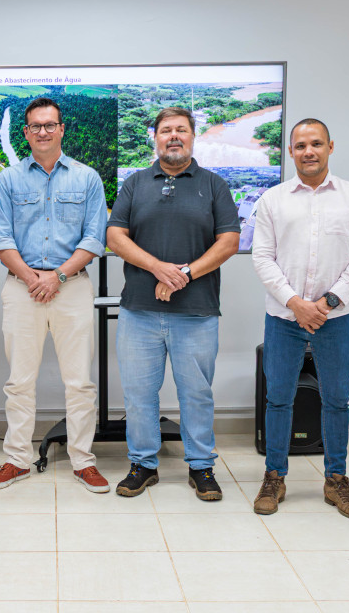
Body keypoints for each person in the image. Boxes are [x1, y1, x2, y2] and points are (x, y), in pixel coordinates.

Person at [106, 107, 239, 501]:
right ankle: (143, 465)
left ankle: (201, 467)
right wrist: (159, 269)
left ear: (193, 137)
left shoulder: (214, 185)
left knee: (196, 394)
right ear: (156, 138)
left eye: (181, 129)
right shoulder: (135, 183)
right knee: (138, 395)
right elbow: (115, 237)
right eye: (166, 130)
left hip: (196, 312)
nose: (174, 136)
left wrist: (184, 275)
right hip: (139, 311)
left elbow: (229, 242)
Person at [0, 96, 110, 493]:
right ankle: (17, 460)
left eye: (49, 125)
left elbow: (95, 238)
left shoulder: (87, 178)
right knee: (19, 381)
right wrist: (32, 278)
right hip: (21, 289)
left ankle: (83, 462)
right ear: (25, 133)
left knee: (80, 382)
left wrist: (57, 276)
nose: (43, 131)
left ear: (61, 129)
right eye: (35, 126)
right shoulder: (8, 180)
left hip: (72, 287)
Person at [251, 118, 349, 519]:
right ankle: (274, 477)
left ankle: (336, 480)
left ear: (330, 147)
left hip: (335, 319)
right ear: (291, 151)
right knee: (278, 399)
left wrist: (327, 302)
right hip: (283, 318)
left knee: (336, 399)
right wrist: (296, 303)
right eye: (301, 145)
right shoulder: (273, 199)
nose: (309, 152)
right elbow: (262, 257)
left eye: (316, 144)